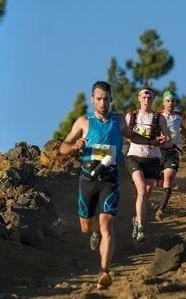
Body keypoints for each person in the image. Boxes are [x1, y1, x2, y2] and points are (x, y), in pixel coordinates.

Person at [60, 81, 166, 290]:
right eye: (98, 99)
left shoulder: (118, 121)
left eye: (106, 99)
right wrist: (74, 146)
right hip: (88, 179)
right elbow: (63, 146)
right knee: (86, 227)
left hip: (110, 178)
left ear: (111, 99)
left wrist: (152, 142)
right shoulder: (83, 122)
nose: (102, 102)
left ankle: (104, 271)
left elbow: (132, 136)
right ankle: (94, 232)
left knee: (108, 225)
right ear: (92, 100)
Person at [125, 87, 171, 242]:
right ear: (139, 98)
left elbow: (168, 139)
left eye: (150, 97)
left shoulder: (159, 118)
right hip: (135, 157)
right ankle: (141, 229)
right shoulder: (131, 116)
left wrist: (163, 141)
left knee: (146, 195)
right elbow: (127, 137)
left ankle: (137, 220)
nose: (147, 100)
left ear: (153, 99)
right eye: (144, 97)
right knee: (142, 192)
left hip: (153, 160)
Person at [155, 90, 186, 221]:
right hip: (157, 151)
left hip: (172, 152)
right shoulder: (157, 115)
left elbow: (181, 128)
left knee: (168, 179)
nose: (171, 103)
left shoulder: (179, 115)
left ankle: (161, 210)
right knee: (155, 182)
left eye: (173, 100)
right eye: (168, 101)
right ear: (164, 103)